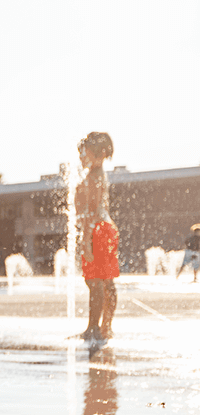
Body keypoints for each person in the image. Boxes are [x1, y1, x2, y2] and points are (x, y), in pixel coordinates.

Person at [76, 132, 118, 341]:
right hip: (105, 228)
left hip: (98, 230)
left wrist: (86, 240)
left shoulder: (93, 175)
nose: (81, 157)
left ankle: (94, 328)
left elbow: (91, 211)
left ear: (98, 153)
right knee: (105, 280)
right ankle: (104, 327)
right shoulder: (98, 173)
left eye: (84, 153)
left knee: (96, 281)